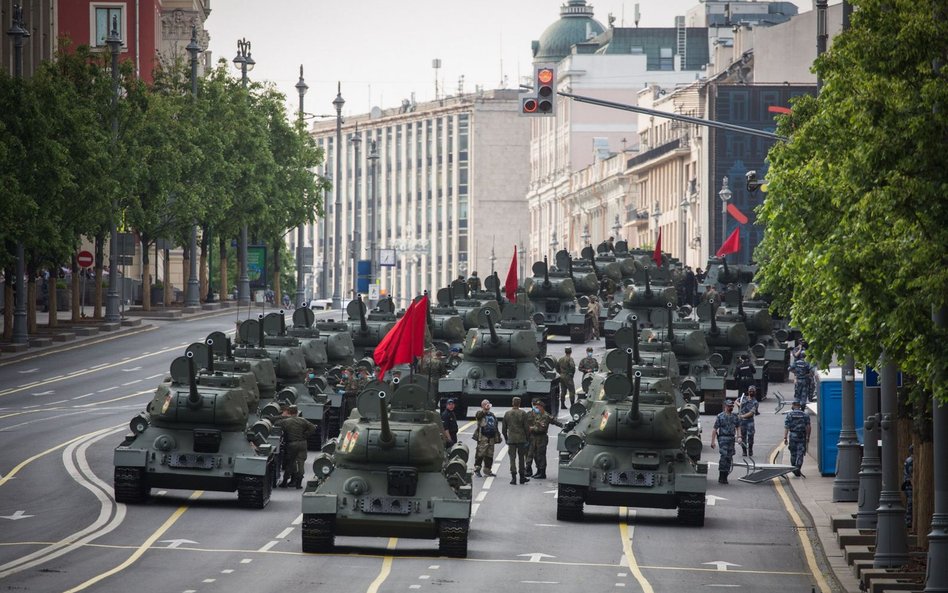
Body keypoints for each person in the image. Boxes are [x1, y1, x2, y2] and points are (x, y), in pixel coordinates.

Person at [275, 405, 315, 488]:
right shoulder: (302, 420)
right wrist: (305, 435)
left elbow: (276, 424)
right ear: (297, 412)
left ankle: (285, 482)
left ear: (289, 412)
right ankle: (298, 483)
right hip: (302, 443)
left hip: (292, 444)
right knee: (301, 462)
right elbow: (313, 428)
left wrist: (283, 417)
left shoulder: (286, 421)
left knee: (290, 463)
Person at [525, 399, 563, 480]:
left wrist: (531, 428)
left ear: (541, 407)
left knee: (541, 456)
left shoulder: (545, 416)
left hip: (541, 438)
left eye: (537, 406)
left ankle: (542, 472)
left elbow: (541, 428)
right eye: (535, 406)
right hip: (534, 438)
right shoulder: (536, 414)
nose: (535, 408)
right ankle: (538, 471)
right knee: (535, 455)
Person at [710, 399, 742, 484]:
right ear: (725, 406)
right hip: (723, 439)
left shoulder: (735, 417)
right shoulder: (720, 416)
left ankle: (725, 475)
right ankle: (721, 475)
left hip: (731, 439)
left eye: (732, 406)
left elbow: (738, 427)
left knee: (729, 457)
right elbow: (715, 429)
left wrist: (739, 436)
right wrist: (713, 442)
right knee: (724, 457)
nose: (731, 407)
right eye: (729, 406)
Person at [502, 397, 531, 485]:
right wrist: (527, 438)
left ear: (512, 403)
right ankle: (522, 477)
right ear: (519, 403)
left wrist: (506, 438)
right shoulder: (523, 413)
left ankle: (513, 477)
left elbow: (504, 429)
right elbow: (526, 428)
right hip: (521, 439)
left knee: (512, 458)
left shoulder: (507, 414)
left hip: (511, 439)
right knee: (521, 458)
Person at [473, 399, 501, 477]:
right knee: (480, 454)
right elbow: (478, 416)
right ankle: (477, 469)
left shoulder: (492, 415)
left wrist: (497, 437)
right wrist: (484, 410)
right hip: (483, 438)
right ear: (482, 406)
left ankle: (487, 470)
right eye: (485, 404)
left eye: (488, 404)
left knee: (489, 455)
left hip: (491, 438)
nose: (487, 406)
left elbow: (495, 426)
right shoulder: (480, 414)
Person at [783, 400, 811, 476]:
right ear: (799, 406)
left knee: (793, 453)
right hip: (801, 436)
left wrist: (785, 437)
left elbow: (786, 427)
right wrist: (808, 437)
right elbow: (808, 427)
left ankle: (794, 468)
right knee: (800, 453)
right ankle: (798, 467)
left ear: (793, 405)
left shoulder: (789, 415)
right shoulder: (805, 415)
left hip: (792, 436)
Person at [738, 387, 758, 457]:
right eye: (750, 391)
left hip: (750, 421)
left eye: (752, 391)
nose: (751, 393)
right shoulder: (743, 398)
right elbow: (736, 401)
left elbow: (752, 412)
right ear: (748, 391)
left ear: (755, 392)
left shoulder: (755, 402)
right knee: (743, 436)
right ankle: (744, 450)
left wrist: (742, 416)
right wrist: (739, 404)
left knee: (750, 436)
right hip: (742, 422)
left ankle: (750, 449)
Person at [902, 445, 914, 528]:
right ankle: (908, 520)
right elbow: (910, 474)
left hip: (907, 484)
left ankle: (908, 520)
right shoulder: (911, 461)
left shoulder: (908, 460)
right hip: (910, 485)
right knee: (910, 503)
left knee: (909, 503)